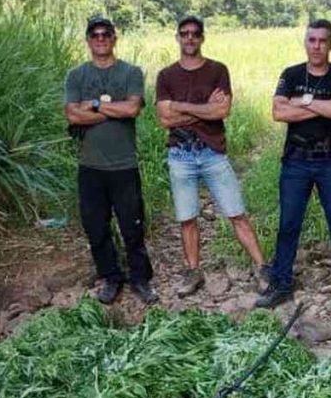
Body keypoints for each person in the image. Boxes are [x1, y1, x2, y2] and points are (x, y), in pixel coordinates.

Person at [255, 19, 331, 312]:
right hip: (296, 160)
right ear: (305, 42)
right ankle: (281, 283)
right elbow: (278, 112)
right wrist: (321, 104)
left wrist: (302, 103)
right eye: (312, 40)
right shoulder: (291, 74)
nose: (317, 46)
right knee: (288, 224)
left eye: (323, 41)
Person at [155, 16, 269, 297]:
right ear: (178, 37)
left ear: (202, 37)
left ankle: (262, 267)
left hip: (212, 152)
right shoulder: (166, 75)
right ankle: (193, 271)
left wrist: (181, 107)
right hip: (180, 154)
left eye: (195, 34)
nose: (190, 38)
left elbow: (221, 112)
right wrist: (202, 107)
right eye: (185, 34)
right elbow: (164, 119)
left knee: (236, 212)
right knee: (186, 217)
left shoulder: (217, 70)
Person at [64, 15, 157, 305]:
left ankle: (140, 279)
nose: (101, 38)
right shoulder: (76, 75)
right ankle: (111, 277)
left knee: (132, 225)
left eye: (106, 34)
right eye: (95, 35)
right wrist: (113, 108)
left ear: (115, 38)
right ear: (89, 40)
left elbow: (132, 109)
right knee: (96, 226)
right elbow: (71, 115)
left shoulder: (130, 72)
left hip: (124, 165)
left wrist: (93, 104)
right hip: (90, 166)